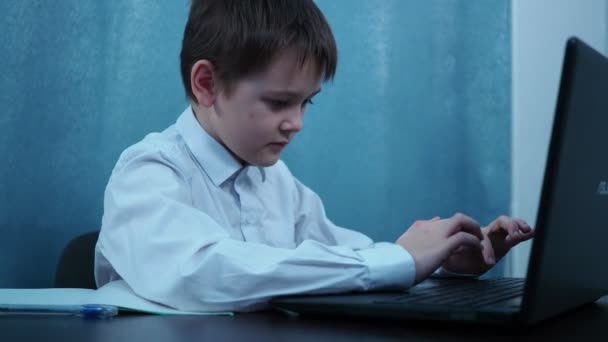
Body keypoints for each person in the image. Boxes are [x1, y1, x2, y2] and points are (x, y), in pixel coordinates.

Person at [94, 0, 534, 312]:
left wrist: (440, 263)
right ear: (207, 84)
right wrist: (396, 261)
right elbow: (204, 271)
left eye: (307, 102)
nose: (297, 123)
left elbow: (345, 260)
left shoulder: (277, 181)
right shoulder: (149, 172)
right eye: (279, 102)